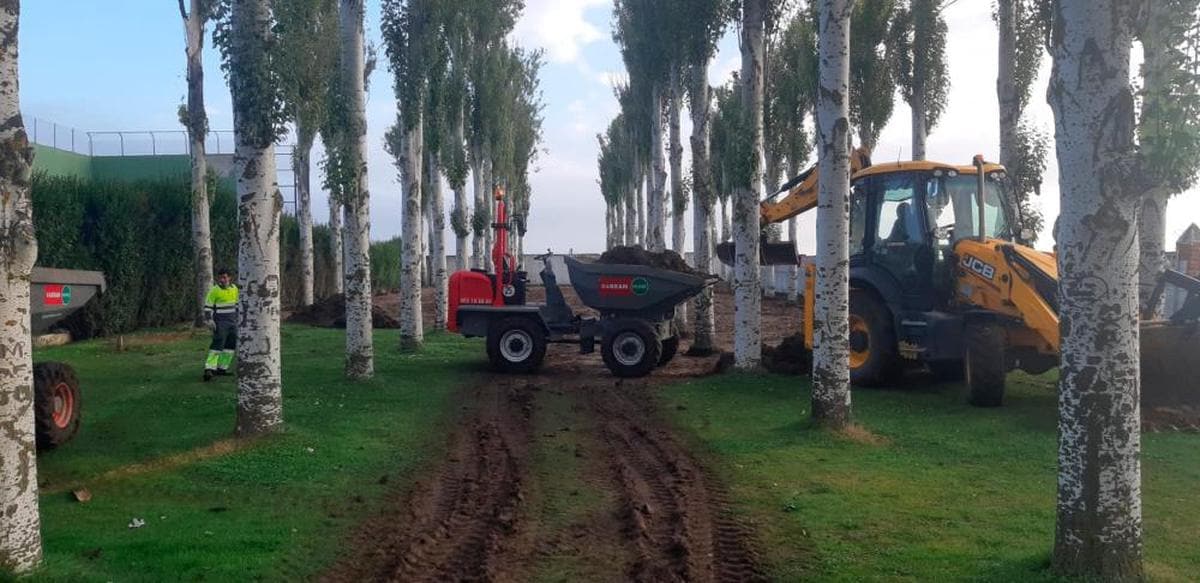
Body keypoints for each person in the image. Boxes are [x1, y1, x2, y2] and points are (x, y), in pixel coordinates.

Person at [202, 268, 239, 381]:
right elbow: (208, 307)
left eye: (224, 277)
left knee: (230, 346)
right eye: (220, 277)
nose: (222, 280)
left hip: (233, 322)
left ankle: (222, 368)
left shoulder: (234, 289)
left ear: (229, 278)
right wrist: (209, 320)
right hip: (220, 322)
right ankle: (209, 369)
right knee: (217, 345)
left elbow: (237, 305)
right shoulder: (214, 290)